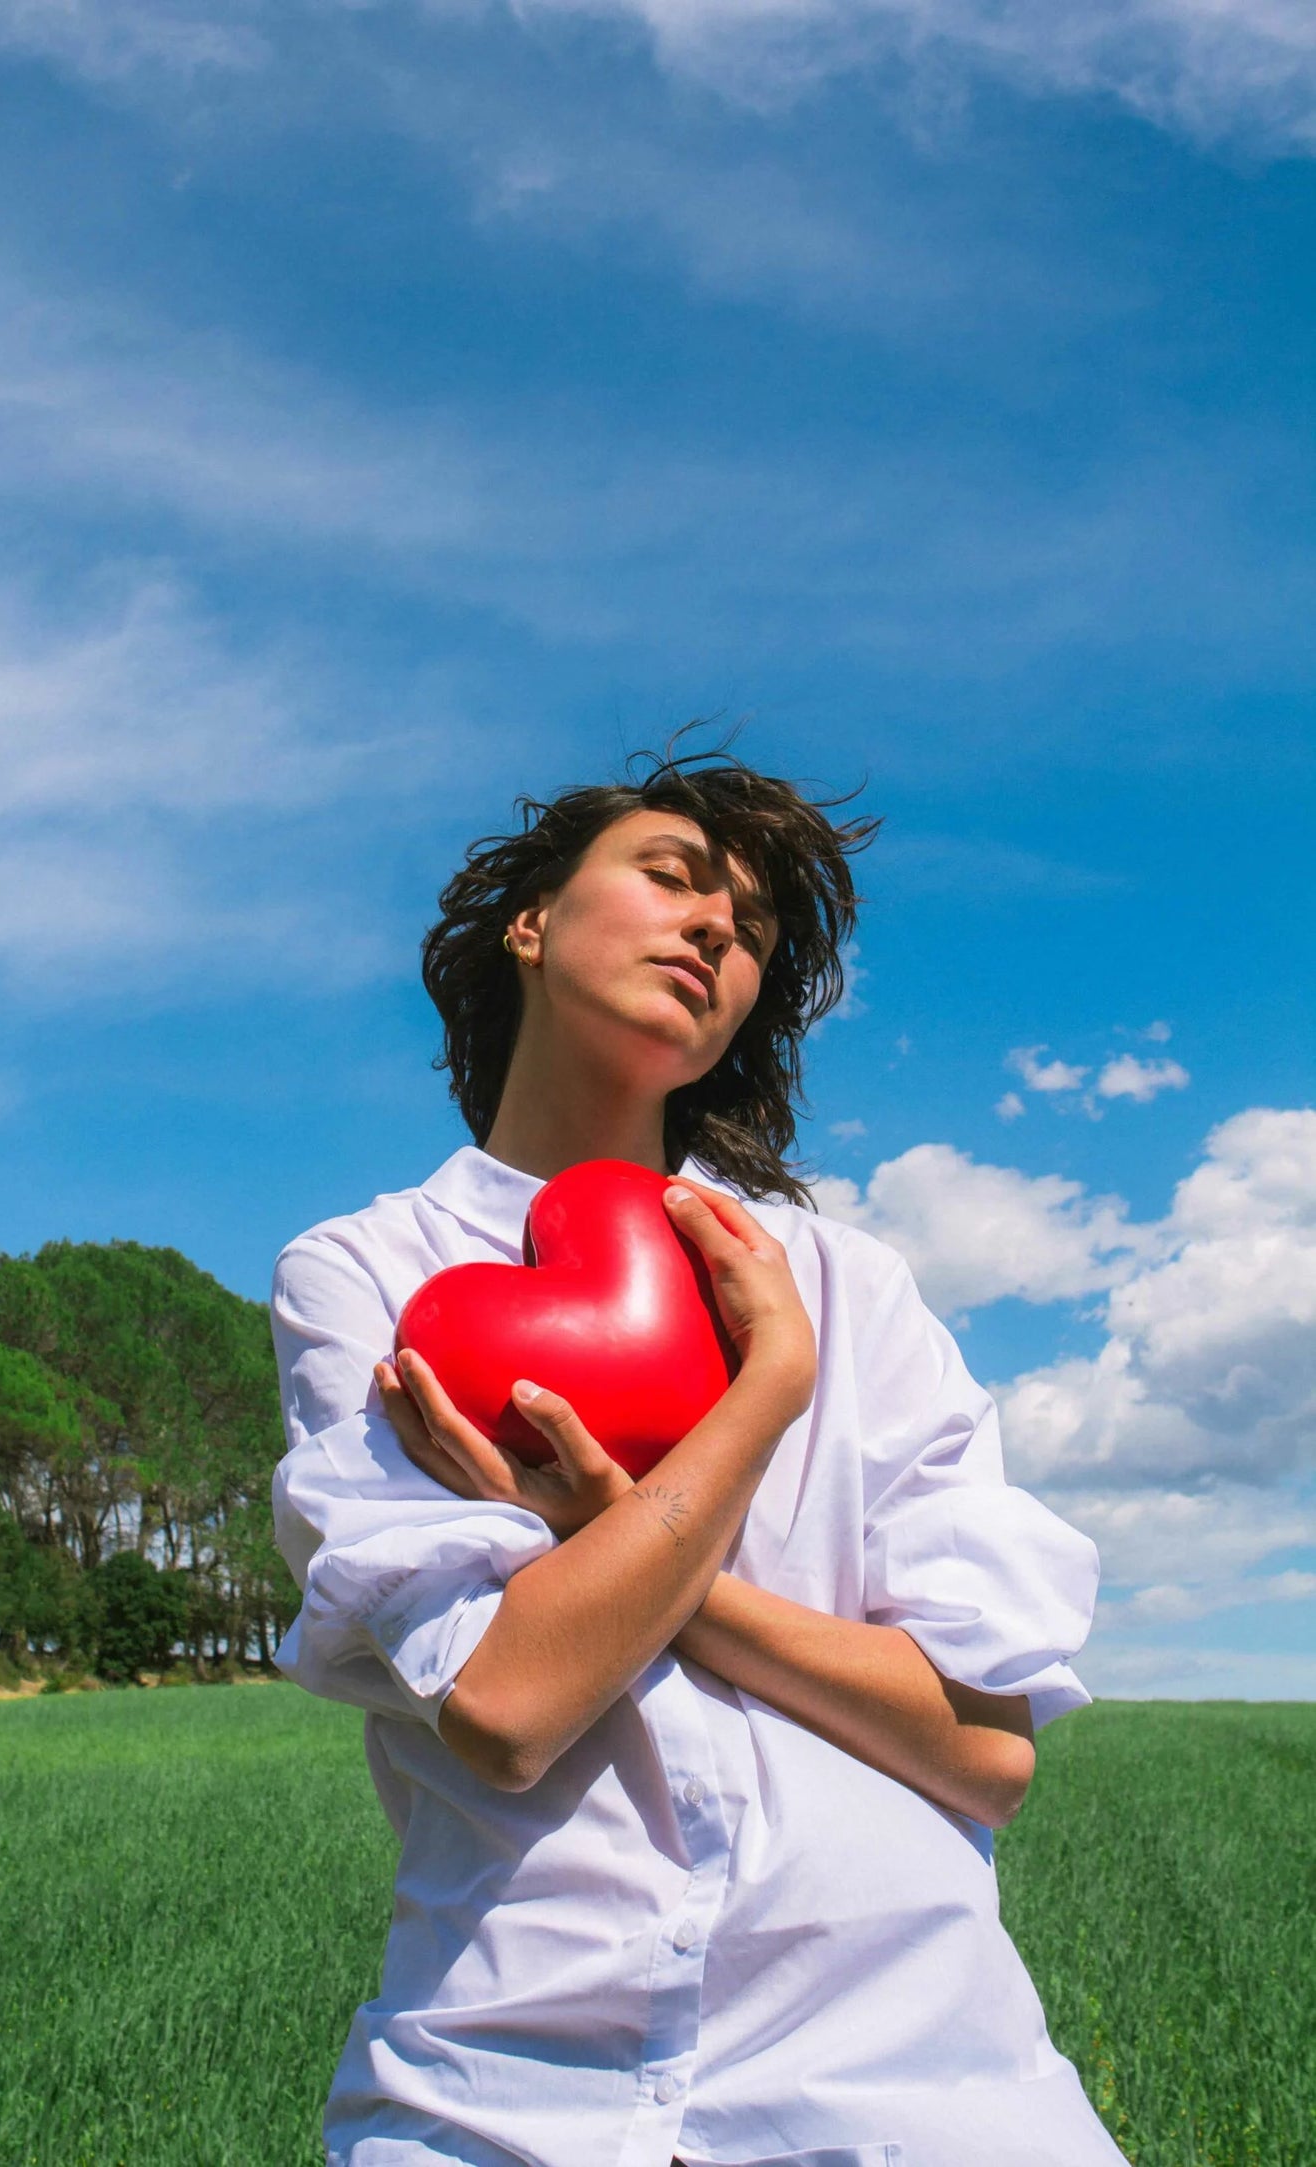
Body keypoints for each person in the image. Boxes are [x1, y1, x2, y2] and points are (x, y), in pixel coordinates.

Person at [270, 732, 1125, 2167]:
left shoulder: (841, 1291)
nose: (717, 926)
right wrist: (756, 1408)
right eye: (670, 877)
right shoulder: (365, 1273)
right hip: (503, 2090)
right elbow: (504, 1702)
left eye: (753, 931)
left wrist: (608, 1531)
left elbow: (985, 1754)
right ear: (529, 925)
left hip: (922, 2091)